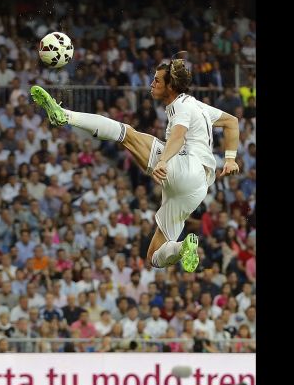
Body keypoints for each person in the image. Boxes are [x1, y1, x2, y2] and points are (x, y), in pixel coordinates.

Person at [31, 57, 240, 273]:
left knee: (126, 134)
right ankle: (182, 247)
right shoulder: (197, 105)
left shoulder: (181, 105)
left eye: (157, 81)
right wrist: (231, 158)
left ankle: (64, 115)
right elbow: (232, 122)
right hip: (196, 190)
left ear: (171, 86)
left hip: (187, 167)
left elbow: (178, 136)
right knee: (154, 257)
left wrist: (163, 161)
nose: (152, 84)